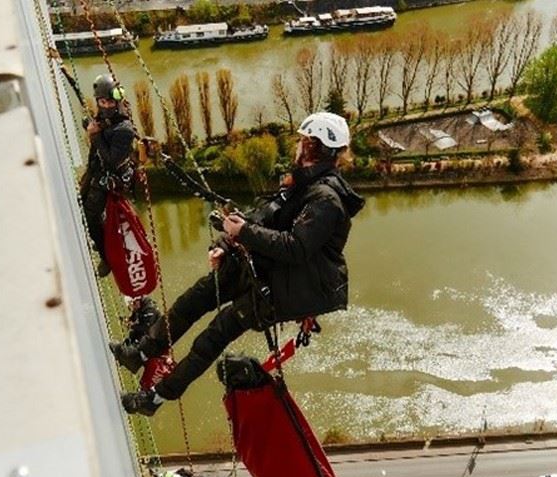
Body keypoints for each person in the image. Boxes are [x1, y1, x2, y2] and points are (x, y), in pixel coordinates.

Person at [118, 112, 365, 416]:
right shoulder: (302, 183)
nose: (297, 145)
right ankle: (141, 352)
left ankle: (153, 398)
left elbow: (296, 248)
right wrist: (225, 244)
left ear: (313, 146)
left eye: (302, 140)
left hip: (280, 289)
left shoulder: (326, 200)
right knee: (193, 300)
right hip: (263, 267)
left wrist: (243, 233)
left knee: (212, 336)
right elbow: (263, 216)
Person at [79, 74, 139, 278]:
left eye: (110, 101)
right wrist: (89, 125)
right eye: (102, 101)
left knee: (90, 215)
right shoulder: (105, 119)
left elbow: (112, 159)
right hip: (97, 172)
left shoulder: (124, 129)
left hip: (111, 179)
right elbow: (93, 124)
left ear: (117, 101)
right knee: (82, 203)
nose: (106, 105)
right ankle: (102, 239)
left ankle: (107, 257)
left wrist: (95, 136)